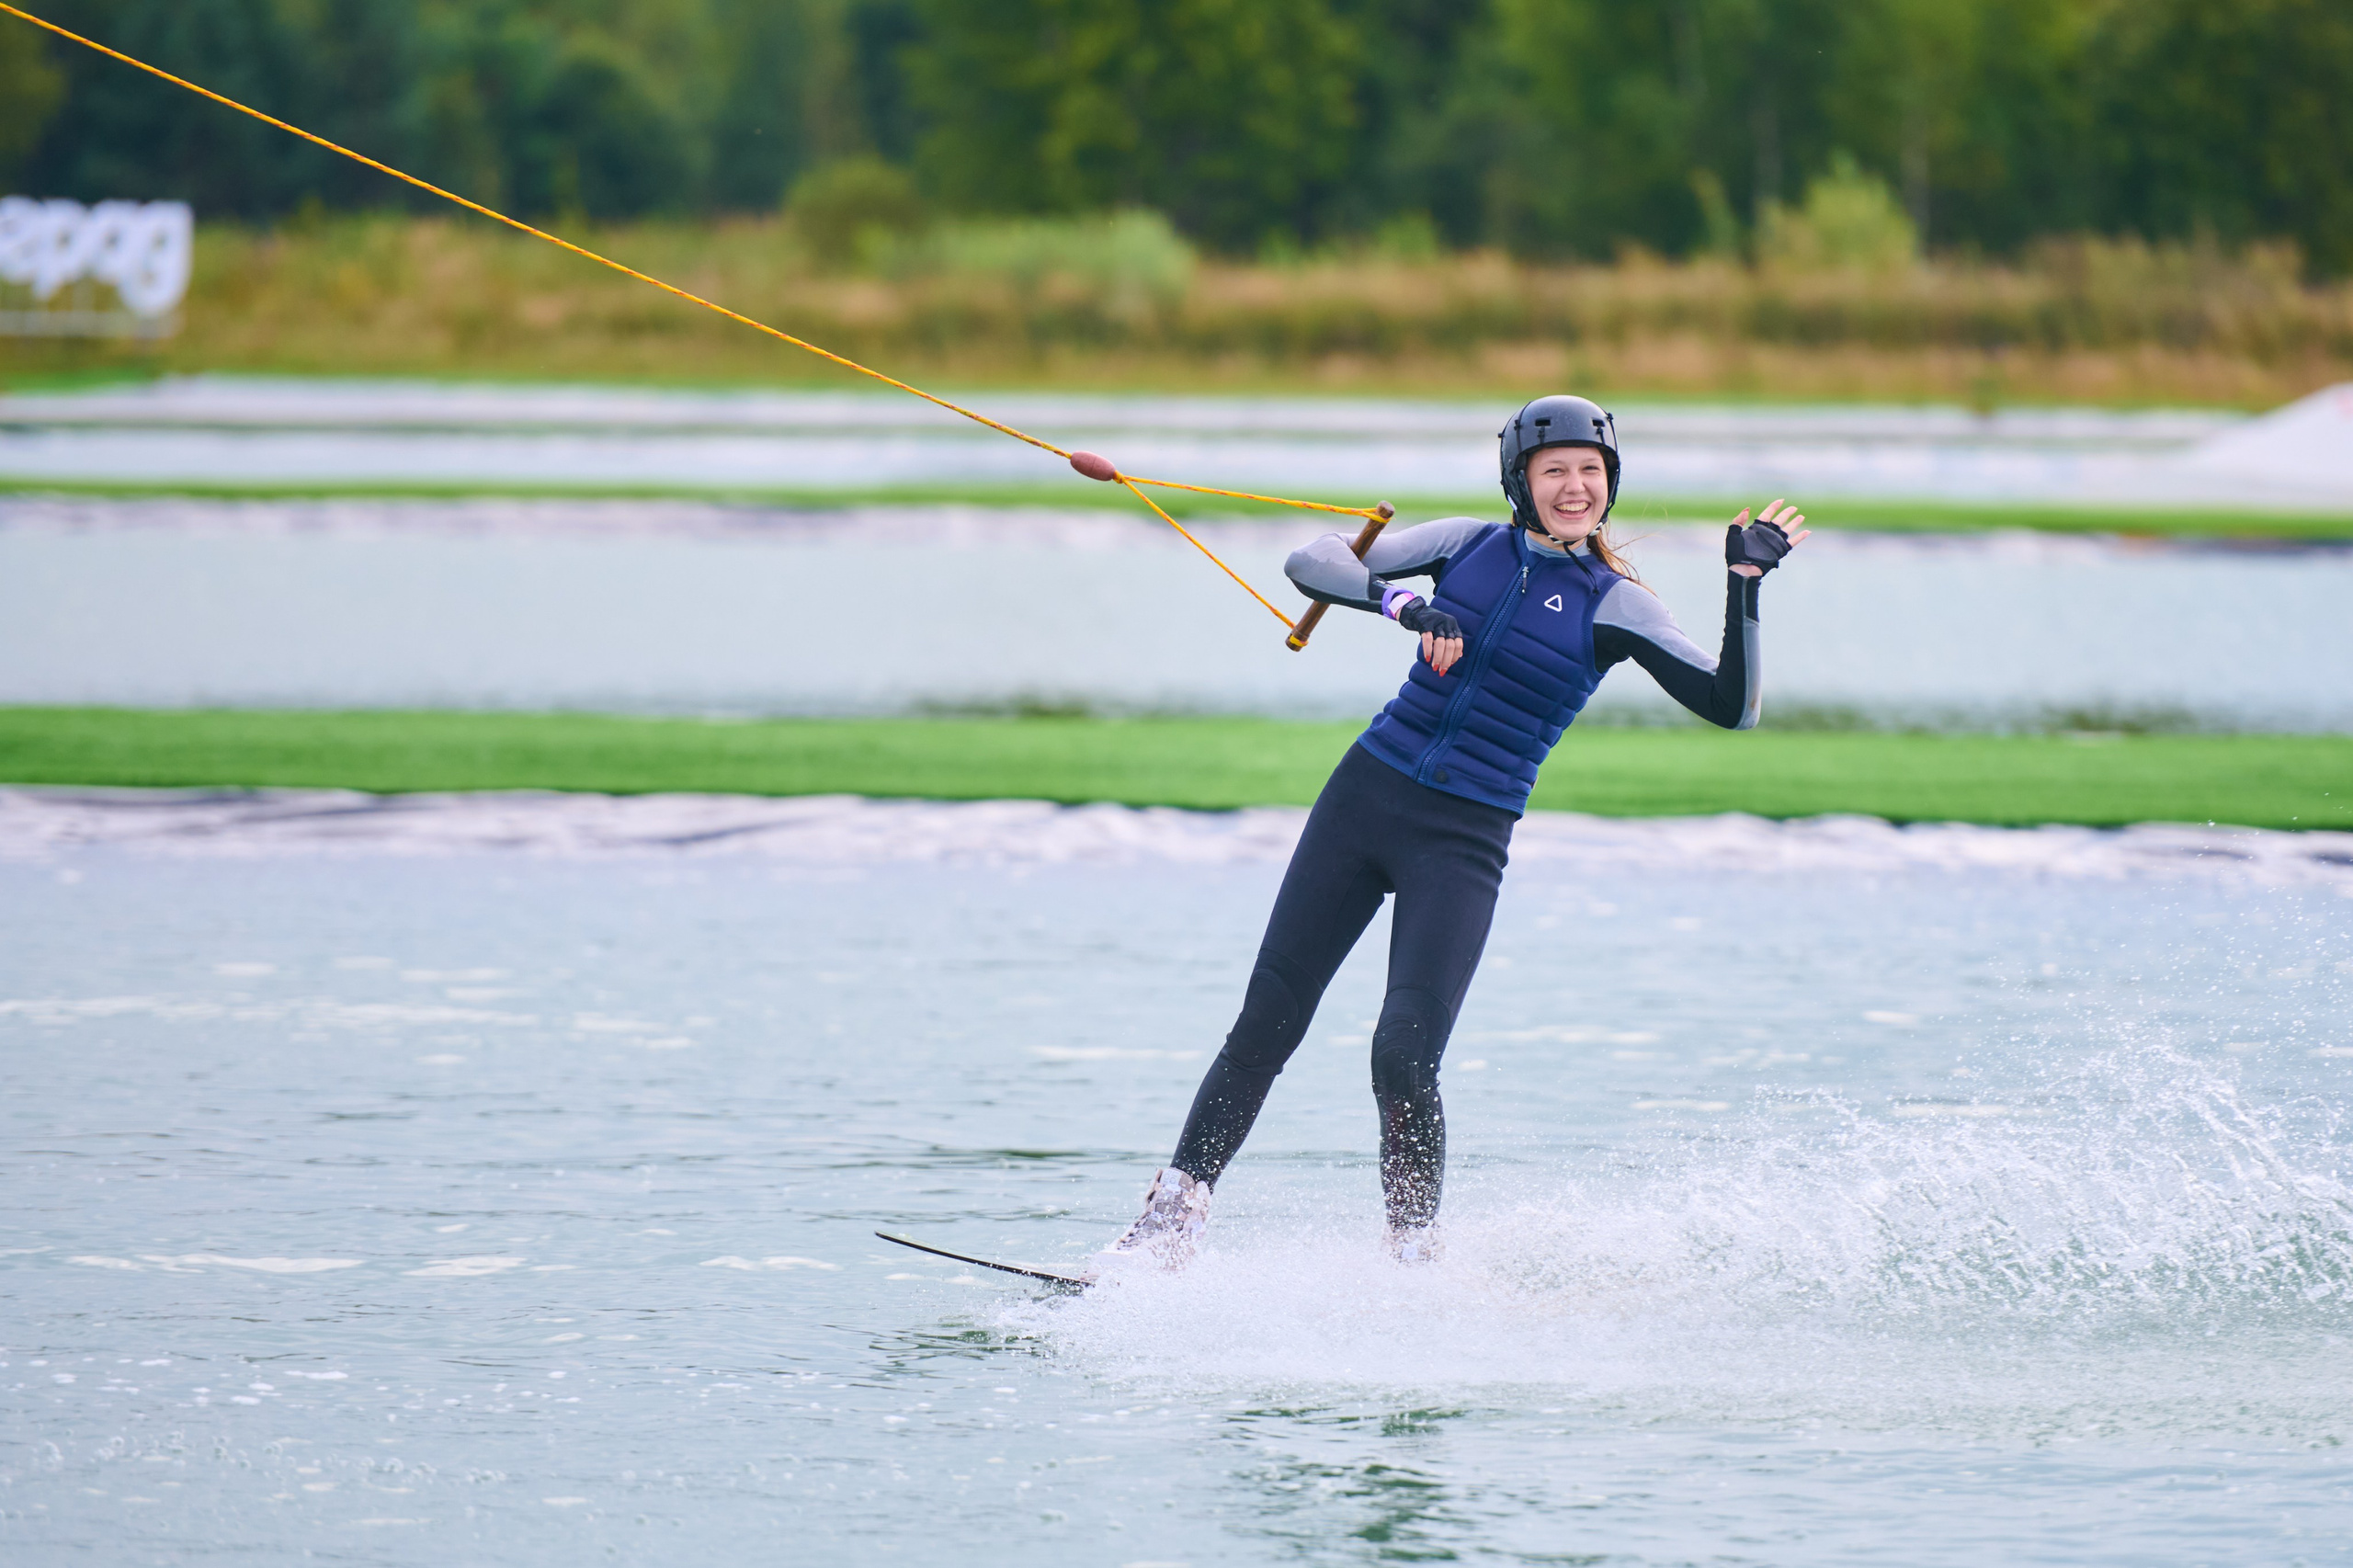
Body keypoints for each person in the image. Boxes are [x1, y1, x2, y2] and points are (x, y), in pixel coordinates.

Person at [1100, 394, 1811, 1267]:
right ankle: (1170, 1224)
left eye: (1592, 471)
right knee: (1268, 1019)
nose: (1576, 487)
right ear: (1520, 480)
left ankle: (1413, 1262)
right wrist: (1405, 606)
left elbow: (1733, 707)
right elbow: (1311, 559)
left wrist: (1744, 584)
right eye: (1555, 470)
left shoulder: (1618, 605)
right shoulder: (1463, 545)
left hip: (1465, 838)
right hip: (1364, 798)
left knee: (1403, 1055)